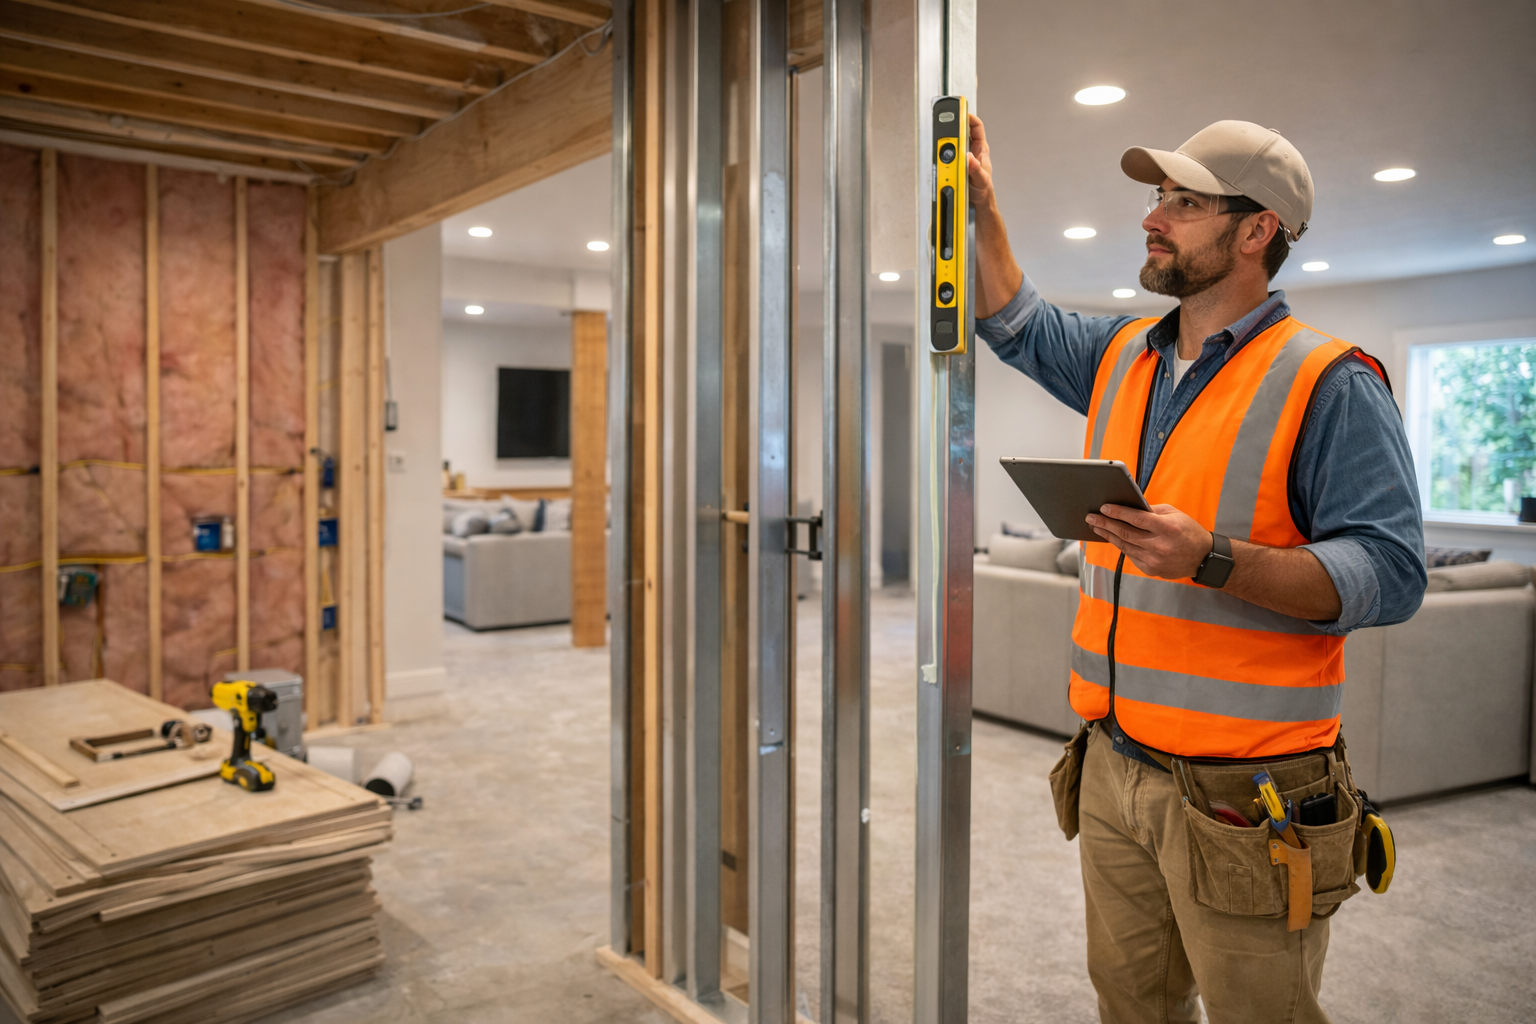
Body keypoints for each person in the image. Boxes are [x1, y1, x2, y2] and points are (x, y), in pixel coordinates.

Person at [967, 116, 1427, 1023]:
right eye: (1156, 197)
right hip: (1112, 763)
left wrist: (1211, 557)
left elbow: (1392, 571)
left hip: (1247, 795)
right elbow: (1014, 322)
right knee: (1132, 1004)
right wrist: (980, 213)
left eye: (1184, 202)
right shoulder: (1122, 357)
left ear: (1258, 231)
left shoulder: (1330, 380)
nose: (1154, 217)